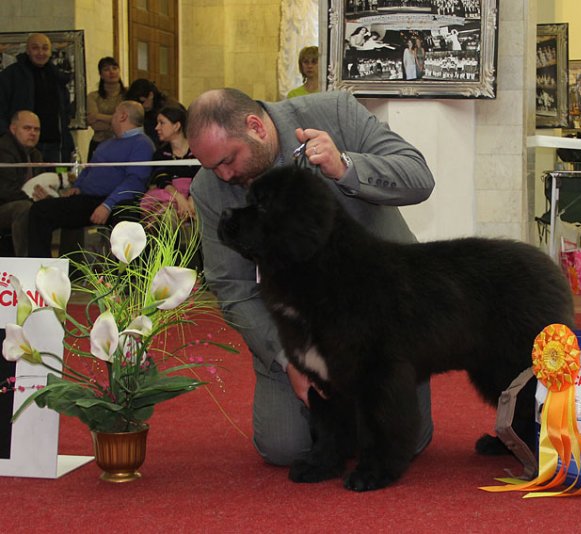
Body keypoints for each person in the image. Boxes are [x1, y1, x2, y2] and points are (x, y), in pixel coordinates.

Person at [186, 88, 435, 467]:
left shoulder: (334, 111)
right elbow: (231, 288)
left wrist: (345, 166)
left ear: (256, 126)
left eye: (227, 160)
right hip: (300, 328)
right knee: (284, 448)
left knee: (405, 441)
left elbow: (419, 177)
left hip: (381, 319)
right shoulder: (210, 185)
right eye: (211, 167)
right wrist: (289, 359)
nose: (223, 175)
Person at [27, 101, 154, 258]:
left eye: (114, 113)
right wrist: (77, 187)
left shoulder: (142, 144)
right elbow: (89, 169)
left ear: (122, 116)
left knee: (127, 219)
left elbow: (135, 181)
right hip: (87, 199)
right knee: (41, 210)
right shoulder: (106, 144)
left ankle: (127, 278)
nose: (112, 118)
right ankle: (41, 270)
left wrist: (107, 205)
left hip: (117, 202)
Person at [0, 32, 75, 164]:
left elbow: (66, 108)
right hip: (21, 146)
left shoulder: (57, 76)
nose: (40, 52)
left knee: (56, 181)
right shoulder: (11, 75)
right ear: (27, 51)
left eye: (45, 48)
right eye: (35, 48)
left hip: (55, 144)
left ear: (50, 52)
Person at [140, 104, 197, 220]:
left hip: (197, 196)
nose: (157, 128)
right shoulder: (160, 154)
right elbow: (162, 179)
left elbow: (200, 177)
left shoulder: (198, 150)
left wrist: (191, 200)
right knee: (167, 216)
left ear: (176, 126)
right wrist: (180, 199)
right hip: (169, 197)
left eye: (162, 123)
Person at [0, 110, 44, 256]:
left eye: (36, 129)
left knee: (55, 207)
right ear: (13, 129)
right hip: (5, 204)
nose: (33, 133)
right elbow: (6, 191)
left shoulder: (36, 154)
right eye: (27, 128)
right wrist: (33, 199)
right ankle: (24, 261)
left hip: (25, 200)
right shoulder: (3, 150)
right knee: (25, 208)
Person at [86, 56, 126, 161]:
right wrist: (117, 120)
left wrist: (98, 116)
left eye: (114, 68)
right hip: (99, 143)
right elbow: (95, 124)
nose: (111, 72)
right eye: (106, 69)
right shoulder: (93, 96)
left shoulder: (128, 94)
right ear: (100, 74)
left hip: (122, 143)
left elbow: (128, 121)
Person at [126, 79, 180, 146]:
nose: (140, 106)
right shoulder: (143, 111)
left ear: (151, 95)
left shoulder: (169, 108)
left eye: (142, 102)